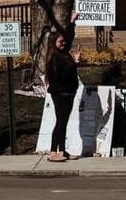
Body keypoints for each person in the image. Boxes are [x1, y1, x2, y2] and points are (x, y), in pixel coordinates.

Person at [44, 27, 82, 162]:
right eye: (61, 41)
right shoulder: (54, 57)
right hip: (60, 93)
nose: (64, 43)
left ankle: (62, 150)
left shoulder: (64, 54)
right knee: (60, 122)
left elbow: (69, 35)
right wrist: (75, 63)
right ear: (54, 42)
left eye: (64, 41)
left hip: (69, 92)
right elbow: (63, 75)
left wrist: (72, 22)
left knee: (63, 122)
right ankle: (53, 151)